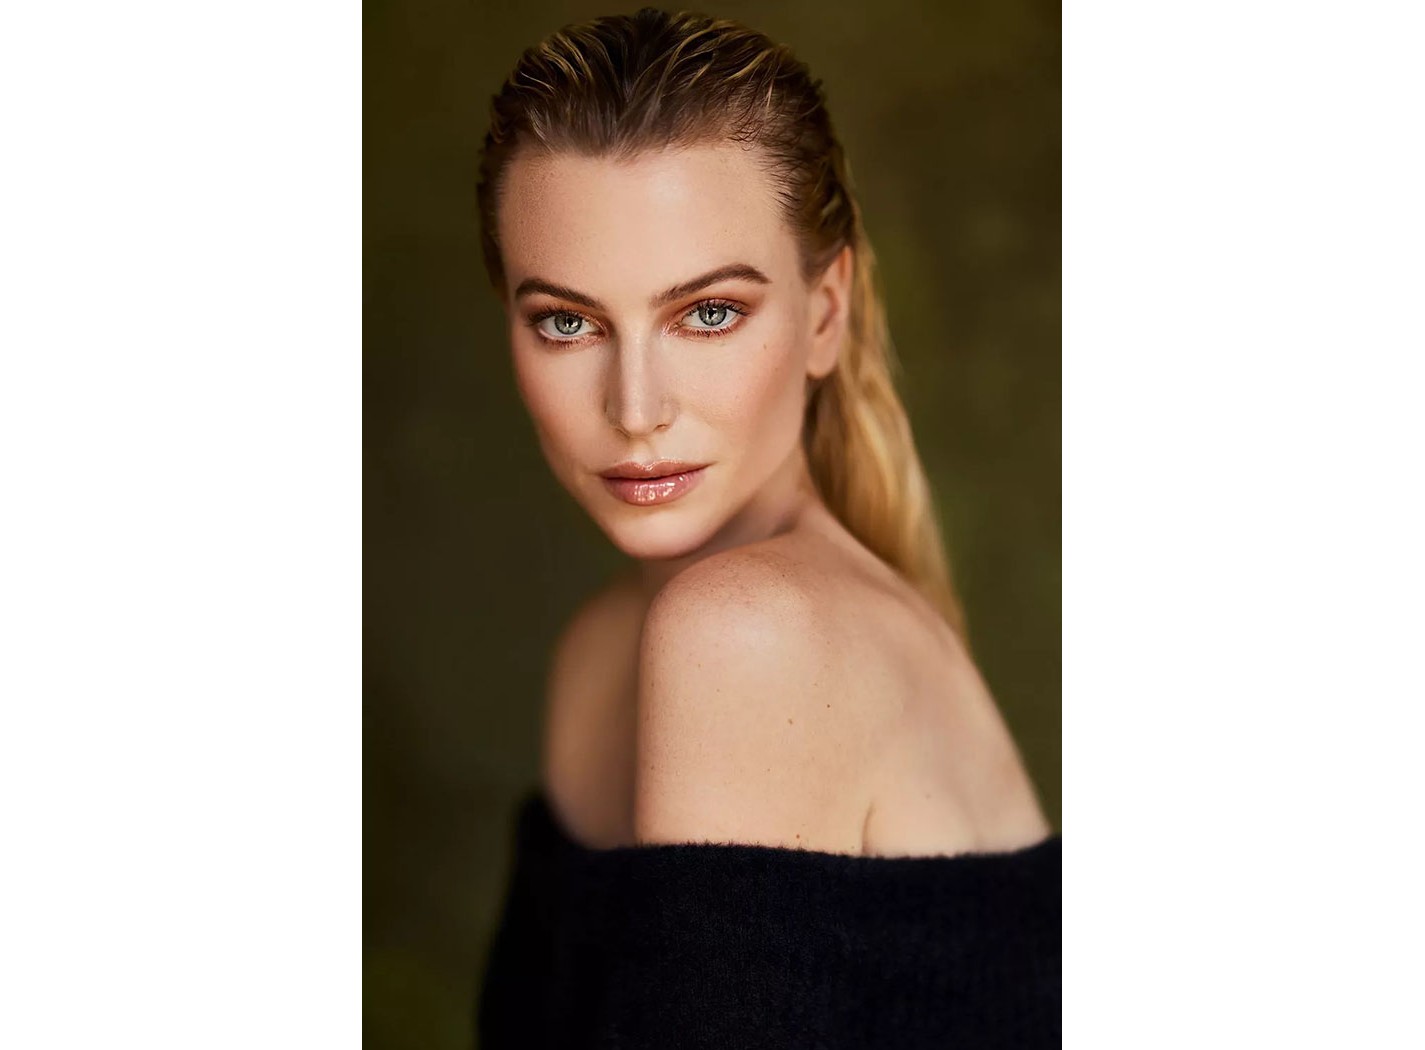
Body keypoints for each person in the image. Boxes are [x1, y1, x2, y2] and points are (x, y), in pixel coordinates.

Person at [474, 8, 1059, 1047]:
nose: (637, 409)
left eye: (708, 313)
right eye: (567, 321)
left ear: (824, 312)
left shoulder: (747, 632)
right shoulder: (602, 653)